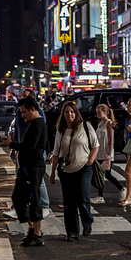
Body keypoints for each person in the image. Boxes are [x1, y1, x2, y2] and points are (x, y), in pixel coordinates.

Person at [2, 95, 48, 247]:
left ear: (32, 109)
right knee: (18, 198)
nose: (22, 115)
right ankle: (31, 229)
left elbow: (30, 147)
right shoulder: (34, 123)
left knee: (34, 200)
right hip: (27, 167)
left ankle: (37, 234)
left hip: (33, 167)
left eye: (24, 112)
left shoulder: (38, 124)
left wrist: (12, 145)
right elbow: (28, 145)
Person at [49, 101, 99, 240]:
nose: (69, 114)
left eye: (72, 111)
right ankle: (72, 232)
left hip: (84, 168)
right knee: (69, 202)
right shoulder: (61, 130)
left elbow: (95, 146)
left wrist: (90, 161)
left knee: (83, 197)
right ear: (63, 114)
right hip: (66, 171)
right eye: (66, 112)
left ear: (76, 113)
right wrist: (52, 172)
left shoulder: (86, 126)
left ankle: (87, 222)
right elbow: (55, 153)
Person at [95, 103, 126, 201]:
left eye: (99, 112)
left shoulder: (109, 123)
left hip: (106, 153)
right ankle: (100, 196)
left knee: (107, 174)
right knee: (100, 174)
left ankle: (121, 188)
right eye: (97, 112)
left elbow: (111, 139)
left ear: (105, 112)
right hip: (99, 153)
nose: (97, 114)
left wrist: (109, 154)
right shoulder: (100, 124)